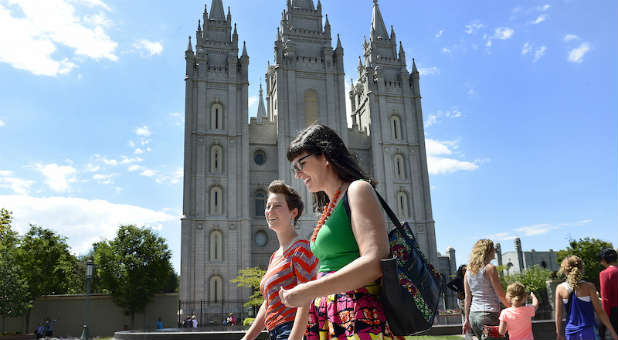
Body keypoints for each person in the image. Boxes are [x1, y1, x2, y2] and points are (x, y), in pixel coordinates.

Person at [278, 124, 402, 340]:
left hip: (356, 313)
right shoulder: (328, 207)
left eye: (302, 163)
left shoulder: (357, 189)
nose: (297, 174)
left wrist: (309, 290)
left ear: (325, 156)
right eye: (293, 168)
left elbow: (375, 261)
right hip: (327, 315)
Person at [242, 180, 319, 340]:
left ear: (293, 213)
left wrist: (294, 337)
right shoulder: (275, 257)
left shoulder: (302, 249)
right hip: (275, 332)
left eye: (277, 206)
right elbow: (269, 302)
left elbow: (307, 298)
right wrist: (248, 337)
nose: (270, 211)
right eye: (268, 206)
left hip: (292, 330)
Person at [555, 255, 618, 340]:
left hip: (570, 332)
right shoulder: (589, 287)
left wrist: (559, 333)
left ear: (564, 270)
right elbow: (600, 312)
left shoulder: (560, 288)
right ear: (581, 269)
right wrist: (612, 331)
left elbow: (559, 315)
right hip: (588, 331)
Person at [463, 239, 511, 340]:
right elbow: (501, 294)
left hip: (473, 316)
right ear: (488, 250)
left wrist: (467, 319)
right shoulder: (490, 268)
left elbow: (467, 298)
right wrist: (514, 308)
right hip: (488, 315)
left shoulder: (468, 272)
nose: (495, 250)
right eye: (493, 248)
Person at [599, 248, 618, 339]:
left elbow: (605, 298)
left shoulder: (605, 274)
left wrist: (604, 318)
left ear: (604, 259)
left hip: (613, 313)